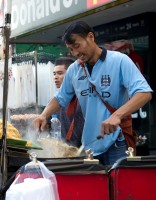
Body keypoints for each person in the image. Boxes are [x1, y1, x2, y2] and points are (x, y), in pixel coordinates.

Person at [33, 21, 152, 165]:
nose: (75, 53)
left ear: (90, 37)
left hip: (117, 143)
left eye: (77, 46)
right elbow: (60, 98)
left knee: (118, 186)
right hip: (89, 147)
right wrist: (43, 115)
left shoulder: (119, 61)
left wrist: (117, 115)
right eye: (71, 49)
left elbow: (144, 93)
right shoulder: (74, 70)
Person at [53, 57, 84, 147]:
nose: (55, 77)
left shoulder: (83, 97)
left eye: (60, 73)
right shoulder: (56, 100)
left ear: (71, 74)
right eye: (54, 74)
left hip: (83, 149)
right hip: (65, 149)